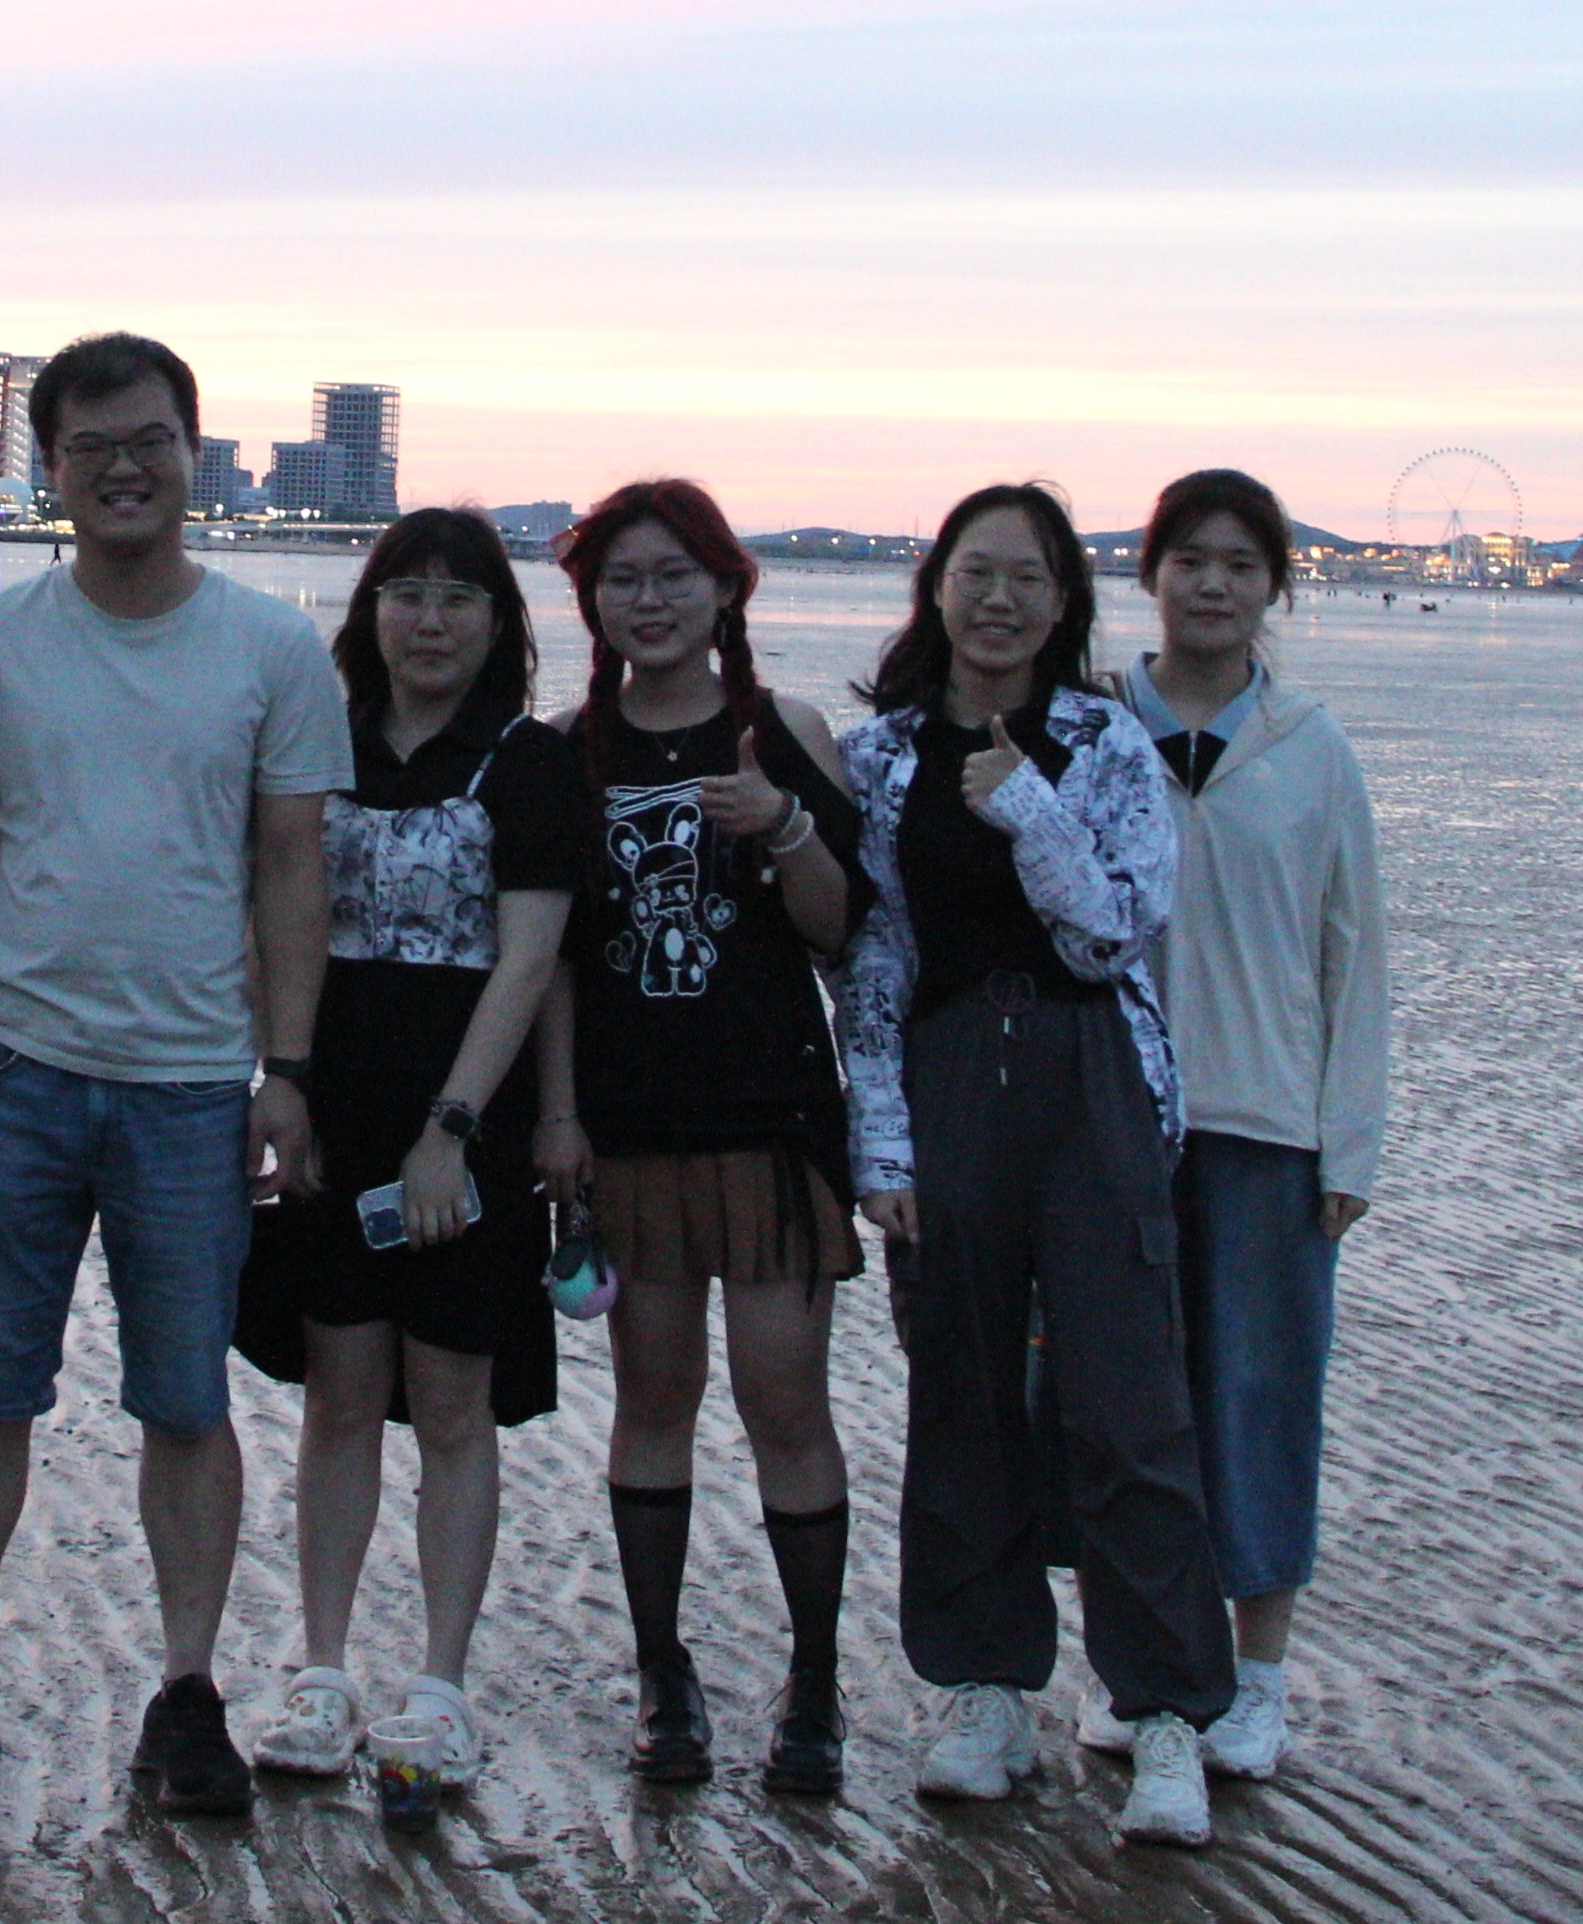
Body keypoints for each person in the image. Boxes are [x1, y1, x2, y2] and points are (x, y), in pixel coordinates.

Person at [0, 331, 354, 1811]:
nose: (124, 469)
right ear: (51, 468)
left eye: (151, 441)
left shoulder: (272, 649)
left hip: (194, 1085)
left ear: (193, 455)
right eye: (91, 447)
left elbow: (293, 873)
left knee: (186, 1401)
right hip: (17, 1069)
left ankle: (188, 1691)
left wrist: (286, 1069)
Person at [834, 481, 1228, 1849]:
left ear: (1064, 604)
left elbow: (1114, 933)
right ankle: (983, 1691)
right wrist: (880, 1140)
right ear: (936, 587)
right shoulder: (880, 756)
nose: (998, 601)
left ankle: (1164, 1710)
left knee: (1130, 1400)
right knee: (962, 1391)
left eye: (1027, 579)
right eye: (975, 573)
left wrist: (1030, 810)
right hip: (948, 1075)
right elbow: (872, 960)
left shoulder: (1107, 742)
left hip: (1091, 1073)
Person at [228, 507, 587, 1809]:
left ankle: (439, 1688)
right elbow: (268, 916)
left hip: (463, 1118)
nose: (429, 621)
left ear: (499, 623)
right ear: (369, 612)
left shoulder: (530, 765)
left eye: (458, 598)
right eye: (406, 594)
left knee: (450, 1403)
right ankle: (321, 1671)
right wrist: (281, 1082)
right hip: (331, 1103)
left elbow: (531, 961)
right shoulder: (316, 747)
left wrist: (455, 1131)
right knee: (337, 1393)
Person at [546, 478, 869, 1793]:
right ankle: (662, 1673)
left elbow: (841, 930)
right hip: (631, 1128)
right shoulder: (567, 750)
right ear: (591, 601)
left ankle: (815, 1680)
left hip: (773, 1122)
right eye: (623, 579)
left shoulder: (784, 732)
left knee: (786, 1399)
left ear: (727, 587)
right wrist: (559, 1120)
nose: (651, 601)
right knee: (653, 1398)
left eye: (675, 575)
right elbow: (555, 960)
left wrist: (782, 825)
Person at [1104, 467, 1388, 1784]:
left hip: (1267, 1128)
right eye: (1190, 560)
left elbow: (1353, 957)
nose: (1212, 585)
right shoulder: (1095, 728)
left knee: (1260, 1402)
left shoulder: (1311, 748)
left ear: (1276, 585)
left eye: (1240, 564)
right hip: (1112, 1123)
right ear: (1149, 573)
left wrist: (1351, 1144)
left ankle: (1257, 1678)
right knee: (1120, 1412)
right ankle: (1143, 1672)